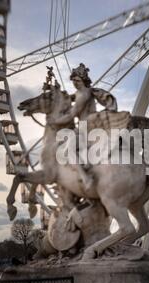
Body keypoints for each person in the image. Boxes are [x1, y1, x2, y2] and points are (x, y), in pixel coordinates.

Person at [50, 63, 118, 192]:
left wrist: (55, 121)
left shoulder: (84, 95)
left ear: (83, 80)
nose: (75, 83)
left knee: (67, 149)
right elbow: (70, 98)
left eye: (77, 80)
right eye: (73, 80)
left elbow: (72, 114)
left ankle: (85, 177)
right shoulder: (80, 92)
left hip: (87, 128)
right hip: (82, 127)